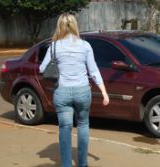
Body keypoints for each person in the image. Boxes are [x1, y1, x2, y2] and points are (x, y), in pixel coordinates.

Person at [39, 13, 109, 167]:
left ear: (59, 27)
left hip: (62, 92)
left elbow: (42, 68)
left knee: (65, 128)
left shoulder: (54, 46)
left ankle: (66, 164)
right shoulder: (85, 46)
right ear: (75, 26)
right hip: (82, 92)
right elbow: (94, 71)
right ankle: (83, 163)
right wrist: (104, 93)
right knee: (83, 124)